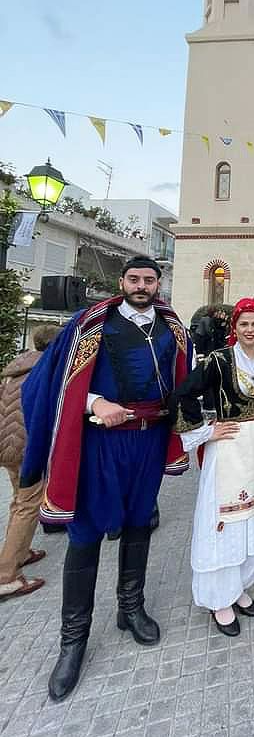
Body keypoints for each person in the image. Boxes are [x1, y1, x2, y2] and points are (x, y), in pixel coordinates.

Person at [21, 256, 191, 701]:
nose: (141, 285)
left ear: (158, 284)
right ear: (122, 282)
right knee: (88, 532)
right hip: (101, 442)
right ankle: (72, 641)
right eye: (134, 279)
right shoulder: (91, 323)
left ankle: (130, 608)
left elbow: (181, 380)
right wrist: (94, 402)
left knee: (139, 523)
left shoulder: (173, 326)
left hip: (149, 440)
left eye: (149, 279)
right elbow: (54, 380)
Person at [169, 299, 254, 636]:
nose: (250, 330)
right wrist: (205, 430)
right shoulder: (219, 360)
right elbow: (182, 395)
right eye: (244, 324)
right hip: (230, 447)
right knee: (225, 517)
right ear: (234, 328)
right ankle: (220, 598)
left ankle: (240, 586)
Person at [0, 324, 61, 601]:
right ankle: (7, 577)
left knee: (18, 501)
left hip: (6, 447)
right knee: (27, 506)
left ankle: (21, 552)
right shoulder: (46, 372)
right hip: (29, 450)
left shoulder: (14, 368)